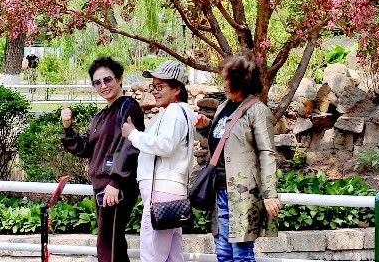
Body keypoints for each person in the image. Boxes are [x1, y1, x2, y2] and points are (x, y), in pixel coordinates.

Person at [61, 57, 145, 262]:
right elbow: (83, 148)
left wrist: (116, 181)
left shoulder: (128, 107)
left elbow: (131, 146)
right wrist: (67, 126)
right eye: (97, 82)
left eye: (108, 80)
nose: (103, 86)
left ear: (120, 79)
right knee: (109, 243)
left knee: (109, 244)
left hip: (116, 187)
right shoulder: (101, 115)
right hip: (102, 187)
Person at [203, 54, 281, 262]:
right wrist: (204, 128)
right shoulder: (223, 107)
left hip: (243, 193)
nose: (224, 84)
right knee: (223, 253)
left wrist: (270, 192)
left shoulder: (257, 110)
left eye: (228, 79)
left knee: (241, 254)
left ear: (242, 81)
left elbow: (267, 153)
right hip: (220, 191)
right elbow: (224, 143)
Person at [121, 61, 196, 262]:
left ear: (177, 88)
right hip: (172, 191)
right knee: (172, 256)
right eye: (154, 86)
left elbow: (164, 145)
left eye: (160, 86)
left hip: (161, 193)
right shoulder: (183, 112)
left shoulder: (173, 112)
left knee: (151, 255)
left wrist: (133, 135)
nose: (155, 91)